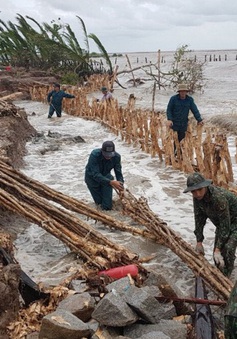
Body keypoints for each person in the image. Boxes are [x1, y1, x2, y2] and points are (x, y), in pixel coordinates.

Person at [183, 172, 237, 277]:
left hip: (235, 222)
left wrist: (218, 249)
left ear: (205, 186)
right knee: (217, 256)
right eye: (194, 191)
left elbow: (225, 226)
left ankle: (227, 279)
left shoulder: (218, 198)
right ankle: (222, 274)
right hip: (223, 224)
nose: (197, 194)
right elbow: (199, 219)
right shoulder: (197, 199)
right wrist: (199, 241)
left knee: (228, 249)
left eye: (200, 190)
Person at [85, 141, 124, 210]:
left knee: (107, 207)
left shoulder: (116, 157)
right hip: (92, 179)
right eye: (106, 154)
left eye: (110, 154)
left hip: (106, 177)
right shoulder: (94, 155)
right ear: (102, 151)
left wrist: (121, 185)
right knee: (99, 204)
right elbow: (95, 174)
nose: (108, 157)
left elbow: (118, 173)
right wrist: (111, 182)